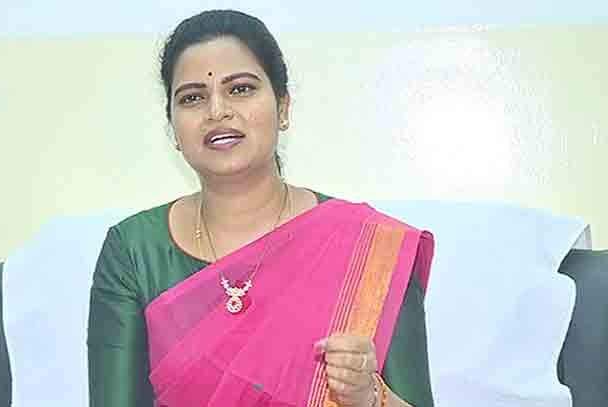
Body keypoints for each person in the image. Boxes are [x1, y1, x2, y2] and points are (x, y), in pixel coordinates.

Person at [88, 9, 434, 407]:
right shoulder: (134, 250)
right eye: (192, 97)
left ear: (283, 107)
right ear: (173, 130)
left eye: (240, 89)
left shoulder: (369, 247)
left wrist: (370, 397)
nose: (217, 111)